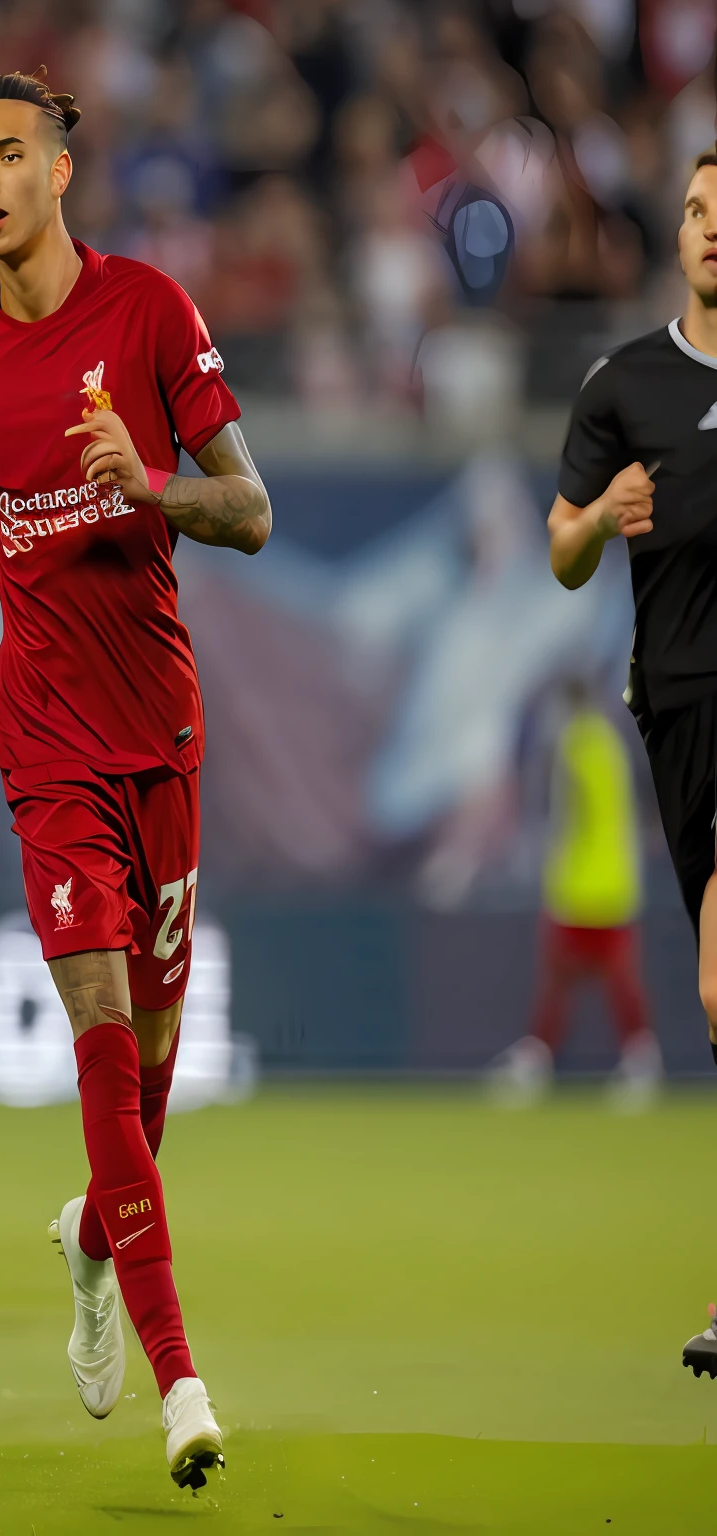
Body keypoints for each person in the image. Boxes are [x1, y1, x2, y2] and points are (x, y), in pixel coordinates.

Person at [0, 71, 272, 1488]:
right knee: (105, 1037)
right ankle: (184, 1380)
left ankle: (88, 1239)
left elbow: (248, 509)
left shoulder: (150, 313)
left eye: (8, 153)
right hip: (45, 739)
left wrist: (149, 487)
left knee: (156, 1079)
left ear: (62, 171)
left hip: (163, 735)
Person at [545, 149, 717, 1379]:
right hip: (681, 717)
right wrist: (606, 517)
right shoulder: (628, 385)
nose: (713, 231)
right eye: (702, 211)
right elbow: (561, 548)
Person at [490, 677, 659, 1108]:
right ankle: (630, 1060)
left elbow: (575, 813)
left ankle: (549, 1061)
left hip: (583, 885)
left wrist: (552, 862)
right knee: (591, 978)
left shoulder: (576, 744)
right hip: (613, 883)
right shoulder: (608, 742)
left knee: (578, 977)